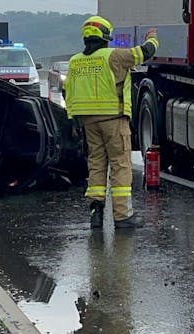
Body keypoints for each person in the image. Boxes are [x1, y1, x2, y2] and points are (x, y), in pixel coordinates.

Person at [64, 16, 158, 230]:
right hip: (113, 120)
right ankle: (122, 216)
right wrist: (152, 38)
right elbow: (145, 53)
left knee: (96, 164)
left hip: (88, 122)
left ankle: (96, 212)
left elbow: (67, 91)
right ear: (105, 36)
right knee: (120, 165)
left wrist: (73, 121)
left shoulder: (75, 61)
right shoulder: (113, 56)